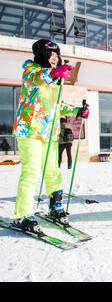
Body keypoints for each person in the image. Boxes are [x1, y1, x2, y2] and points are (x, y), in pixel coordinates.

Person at [10, 39, 89, 232]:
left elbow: (57, 104)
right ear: (41, 55)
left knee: (52, 171)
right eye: (50, 54)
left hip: (49, 132)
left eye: (57, 55)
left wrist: (77, 111)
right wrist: (53, 73)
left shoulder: (52, 81)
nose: (55, 58)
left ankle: (55, 207)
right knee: (31, 172)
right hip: (30, 130)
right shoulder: (31, 71)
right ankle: (22, 214)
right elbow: (36, 79)